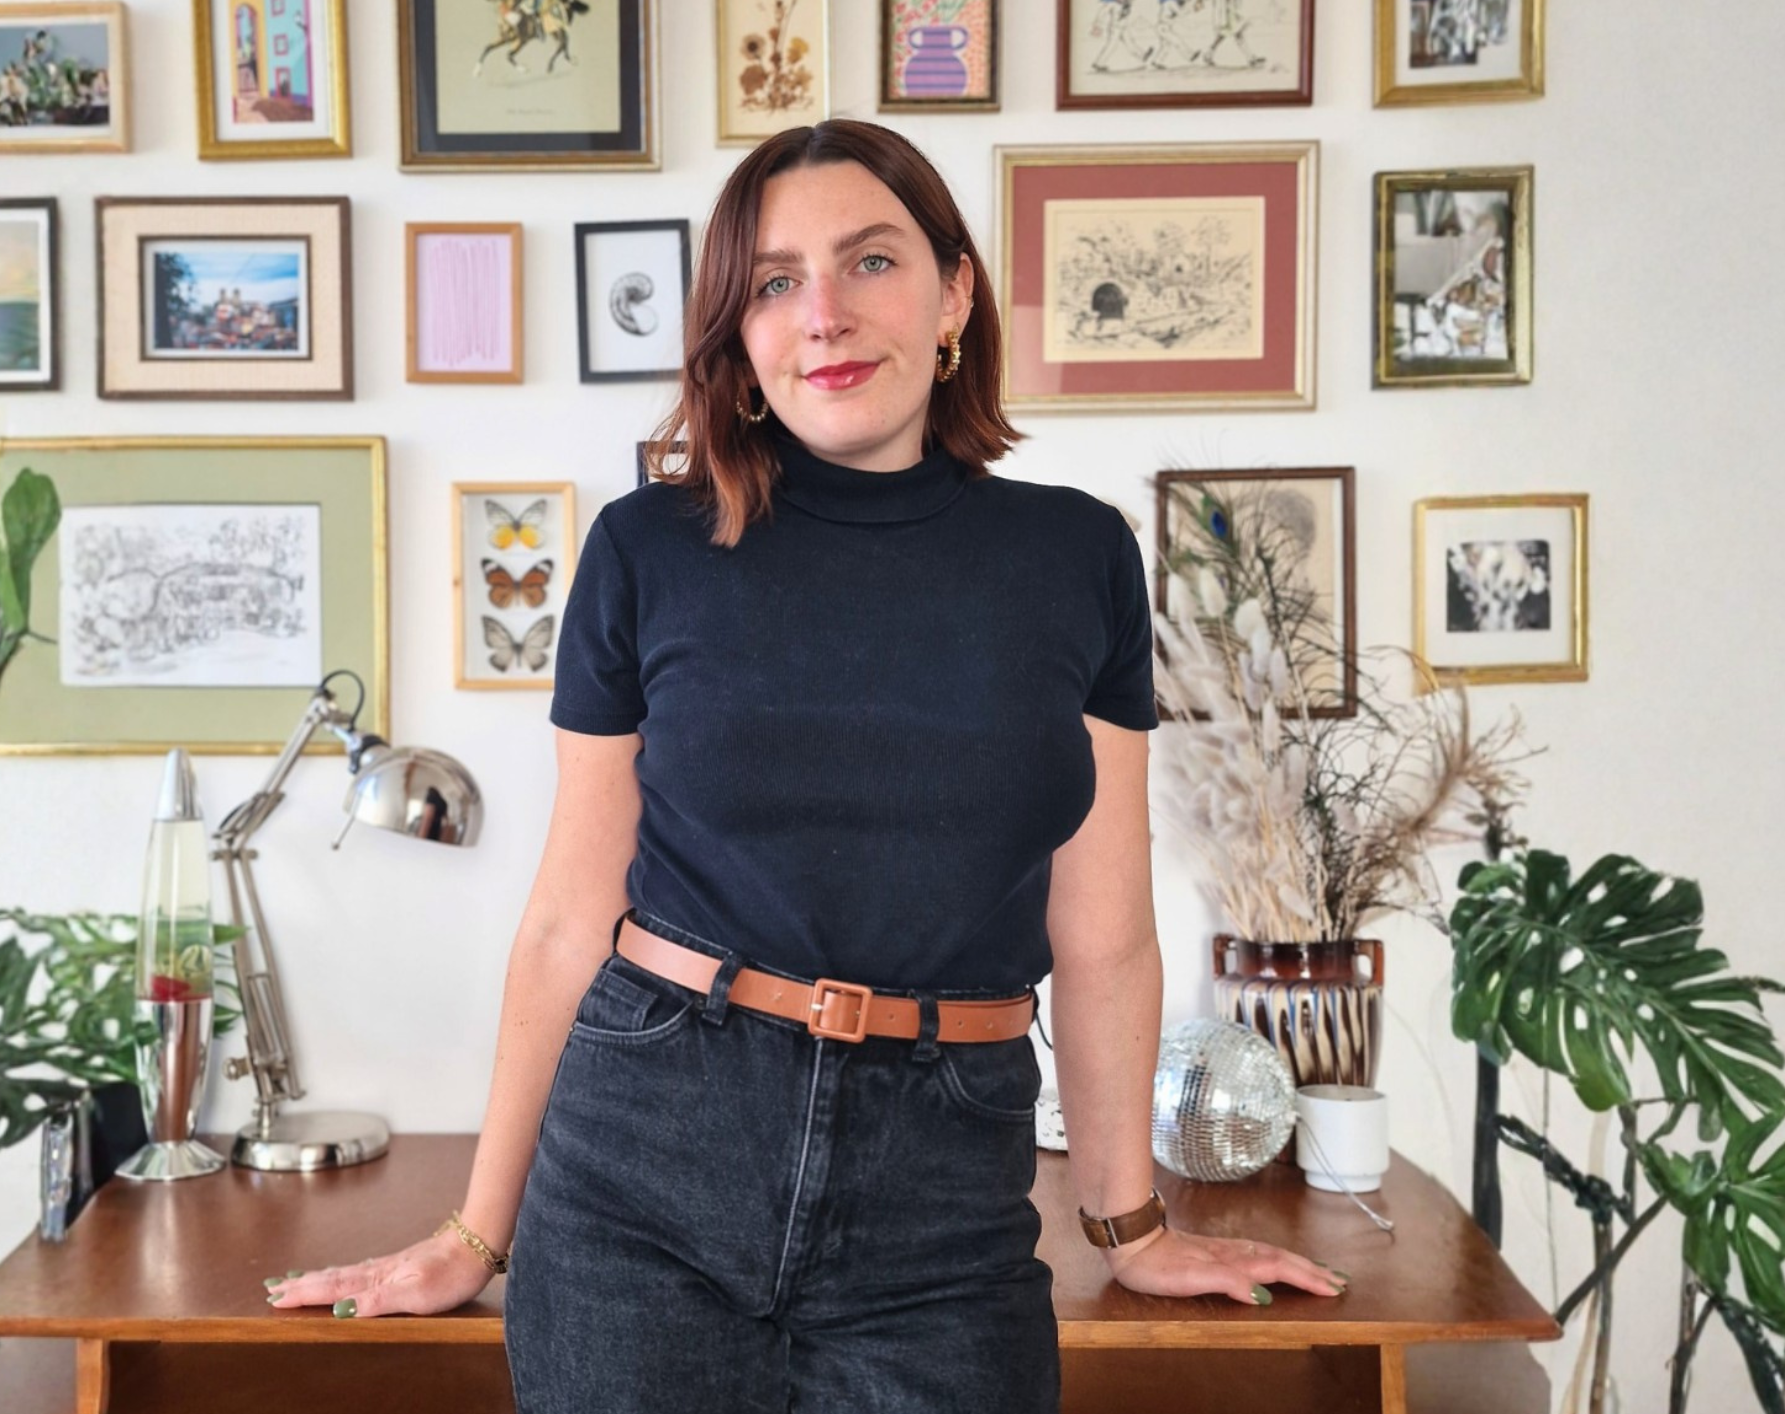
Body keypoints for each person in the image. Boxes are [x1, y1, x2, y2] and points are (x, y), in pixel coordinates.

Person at [265, 119, 1344, 1412]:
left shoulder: (1077, 558)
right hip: (645, 1165)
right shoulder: (645, 549)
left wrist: (1132, 1224)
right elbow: (567, 917)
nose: (822, 315)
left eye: (869, 262)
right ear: (740, 332)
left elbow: (1104, 930)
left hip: (945, 1194)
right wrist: (473, 1233)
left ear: (954, 294)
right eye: (776, 282)